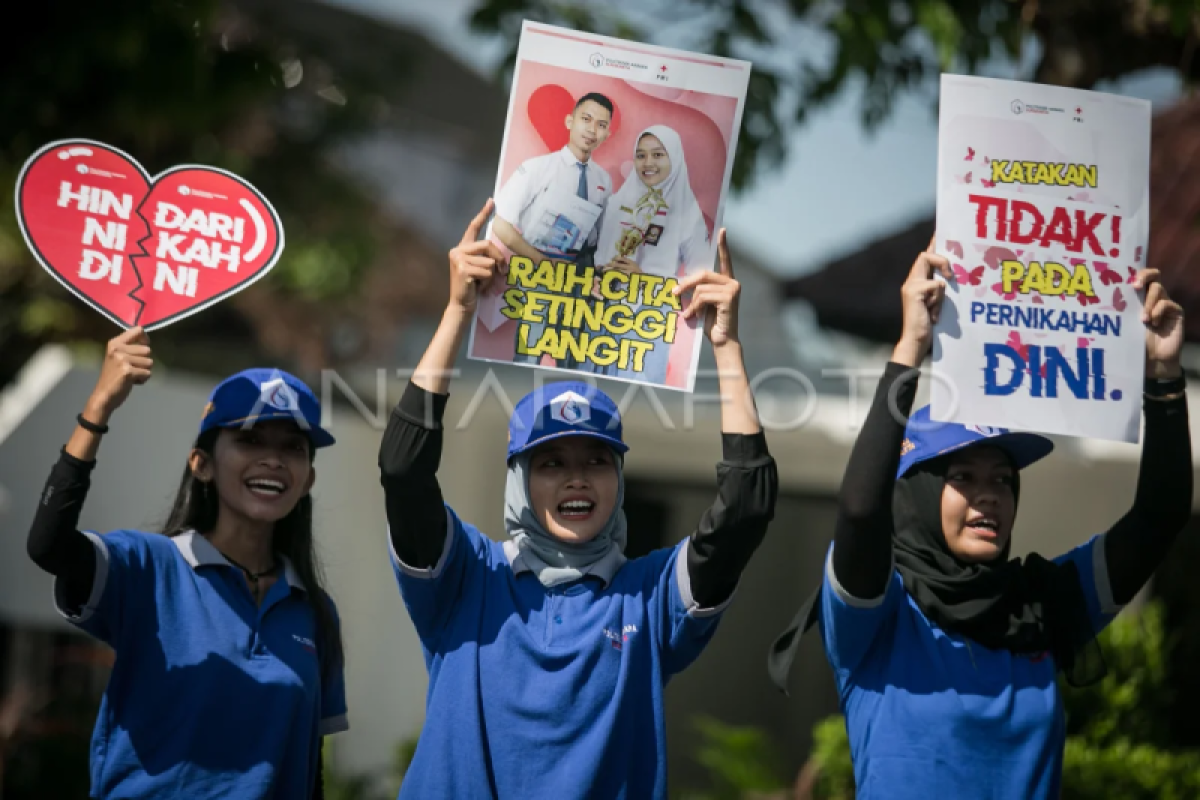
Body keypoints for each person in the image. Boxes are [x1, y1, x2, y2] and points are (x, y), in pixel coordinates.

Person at [379, 200, 778, 798]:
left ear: (619, 480)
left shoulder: (651, 596)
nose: (576, 479)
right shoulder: (465, 577)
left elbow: (745, 506)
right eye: (551, 463)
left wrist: (726, 349)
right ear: (518, 480)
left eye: (596, 461)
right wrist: (458, 312)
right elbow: (404, 470)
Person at [767, 245, 1192, 798]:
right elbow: (860, 509)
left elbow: (1160, 515)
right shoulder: (878, 613)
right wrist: (909, 350)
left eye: (1002, 479)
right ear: (916, 492)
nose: (988, 497)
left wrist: (1162, 375)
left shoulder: (1043, 603)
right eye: (962, 478)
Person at [26, 328, 348, 799]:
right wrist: (98, 410)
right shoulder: (148, 567)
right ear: (202, 464)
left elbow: (307, 772)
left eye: (291, 448)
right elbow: (48, 546)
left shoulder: (316, 613)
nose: (273, 460)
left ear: (308, 479)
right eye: (251, 440)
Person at [493, 92, 615, 369]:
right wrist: (541, 261)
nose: (592, 129)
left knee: (572, 361)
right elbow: (500, 224)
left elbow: (600, 237)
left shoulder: (603, 181)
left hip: (578, 280)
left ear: (607, 133)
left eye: (601, 124)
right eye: (586, 119)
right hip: (539, 276)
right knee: (528, 357)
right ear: (569, 121)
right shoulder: (537, 168)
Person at [593, 125, 711, 383]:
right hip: (601, 315)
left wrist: (644, 278)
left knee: (638, 398)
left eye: (658, 155)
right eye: (641, 155)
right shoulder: (616, 203)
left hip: (648, 321)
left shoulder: (688, 214)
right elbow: (594, 255)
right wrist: (598, 274)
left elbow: (701, 284)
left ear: (675, 157)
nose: (648, 163)